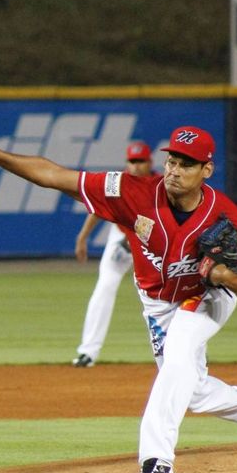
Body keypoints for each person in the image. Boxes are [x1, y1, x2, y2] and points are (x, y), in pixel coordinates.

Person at [0, 126, 237, 473]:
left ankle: (157, 459)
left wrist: (225, 275)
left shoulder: (226, 216)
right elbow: (55, 176)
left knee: (177, 360)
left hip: (207, 296)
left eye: (187, 164)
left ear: (206, 170)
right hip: (158, 303)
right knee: (188, 387)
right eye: (172, 160)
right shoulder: (132, 191)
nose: (175, 169)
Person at [72, 141, 154, 368]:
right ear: (127, 163)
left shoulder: (160, 185)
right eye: (132, 161)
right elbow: (99, 207)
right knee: (105, 285)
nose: (136, 166)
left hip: (153, 243)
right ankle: (87, 352)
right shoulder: (118, 183)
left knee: (163, 293)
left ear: (150, 163)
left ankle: (182, 352)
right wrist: (82, 237)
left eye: (141, 161)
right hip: (120, 238)